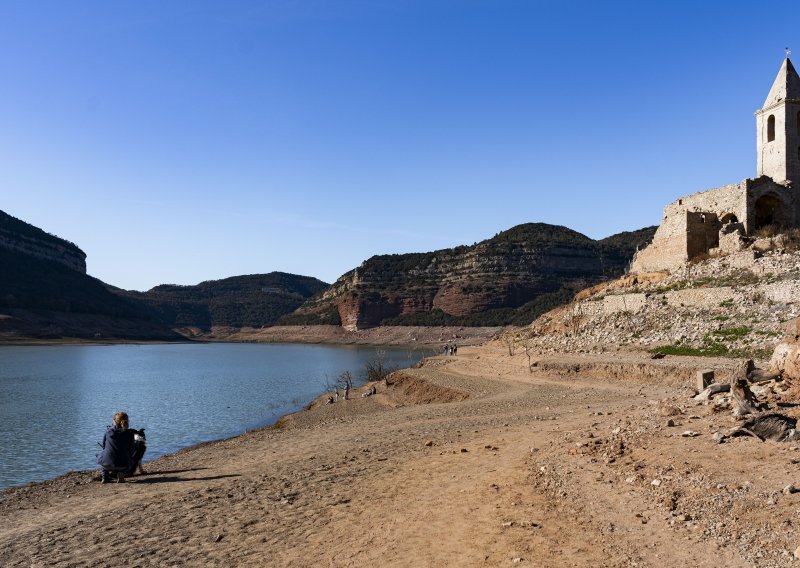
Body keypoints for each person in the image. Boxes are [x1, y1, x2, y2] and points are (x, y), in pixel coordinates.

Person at [96, 411, 139, 483]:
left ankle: (105, 476)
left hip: (107, 464)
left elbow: (104, 446)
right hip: (124, 465)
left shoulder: (108, 431)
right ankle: (121, 472)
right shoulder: (129, 433)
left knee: (103, 455)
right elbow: (131, 450)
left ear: (114, 421)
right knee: (129, 459)